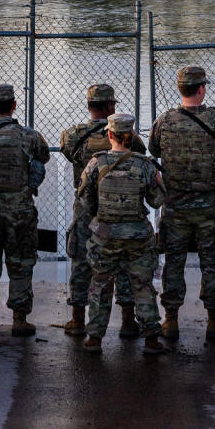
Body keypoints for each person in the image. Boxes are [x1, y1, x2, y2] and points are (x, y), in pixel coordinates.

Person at [149, 66, 215, 341]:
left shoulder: (165, 120)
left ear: (180, 89)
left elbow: (153, 149)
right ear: (201, 89)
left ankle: (170, 320)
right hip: (210, 205)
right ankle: (213, 321)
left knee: (174, 260)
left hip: (175, 203)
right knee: (211, 260)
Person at [60, 84, 146, 338]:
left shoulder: (73, 135)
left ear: (89, 106)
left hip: (87, 207)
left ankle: (77, 320)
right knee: (123, 261)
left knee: (81, 260)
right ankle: (128, 321)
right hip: (120, 205)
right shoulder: (131, 138)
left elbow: (68, 154)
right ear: (110, 107)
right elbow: (137, 156)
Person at [78, 113, 167, 355]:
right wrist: (159, 180)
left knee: (100, 285)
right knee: (142, 286)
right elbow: (157, 201)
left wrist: (103, 214)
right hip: (137, 235)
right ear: (133, 136)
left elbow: (86, 202)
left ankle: (94, 338)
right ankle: (150, 338)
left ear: (109, 134)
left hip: (105, 235)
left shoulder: (96, 164)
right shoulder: (144, 165)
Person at [0, 84, 50, 337]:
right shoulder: (29, 136)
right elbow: (43, 158)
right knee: (21, 262)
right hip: (20, 210)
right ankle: (19, 319)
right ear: (14, 105)